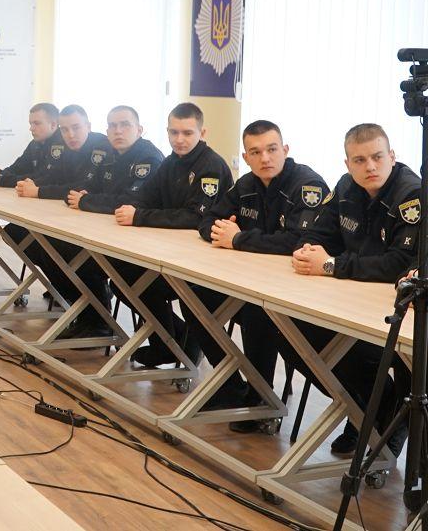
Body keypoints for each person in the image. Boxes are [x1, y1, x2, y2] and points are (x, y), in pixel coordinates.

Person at [287, 123, 417, 456]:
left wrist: (331, 265)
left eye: (377, 157)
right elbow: (318, 235)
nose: (370, 166)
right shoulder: (346, 186)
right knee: (295, 329)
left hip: (396, 309)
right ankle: (365, 409)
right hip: (353, 300)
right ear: (347, 164)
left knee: (385, 354)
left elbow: (399, 263)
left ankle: (385, 419)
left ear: (392, 156)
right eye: (359, 160)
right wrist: (306, 252)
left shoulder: (411, 195)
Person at [196, 120, 331, 431]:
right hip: (252, 279)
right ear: (246, 158)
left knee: (255, 309)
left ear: (285, 150)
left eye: (272, 149)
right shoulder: (246, 184)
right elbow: (208, 220)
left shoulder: (308, 185)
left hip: (296, 289)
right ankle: (230, 384)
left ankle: (261, 398)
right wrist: (224, 232)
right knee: (195, 293)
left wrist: (238, 238)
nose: (265, 158)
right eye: (255, 152)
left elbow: (299, 242)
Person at [111, 102, 234, 374]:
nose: (179, 139)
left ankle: (181, 343)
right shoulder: (171, 162)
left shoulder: (211, 166)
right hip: (170, 252)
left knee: (141, 282)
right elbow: (144, 197)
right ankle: (171, 342)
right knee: (122, 277)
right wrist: (131, 208)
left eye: (187, 133)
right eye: (173, 132)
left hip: (202, 263)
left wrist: (140, 217)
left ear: (202, 133)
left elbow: (194, 217)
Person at [1, 105, 114, 335]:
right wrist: (18, 181)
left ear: (89, 126)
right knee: (17, 232)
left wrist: (39, 191)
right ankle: (71, 293)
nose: (70, 135)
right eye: (65, 130)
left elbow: (84, 186)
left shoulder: (101, 147)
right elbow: (50, 176)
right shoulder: (65, 148)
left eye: (76, 128)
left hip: (102, 224)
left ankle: (96, 314)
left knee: (57, 245)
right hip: (74, 216)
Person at [0, 103, 64, 187]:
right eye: (31, 124)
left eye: (37, 123)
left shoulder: (62, 143)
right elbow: (17, 168)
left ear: (53, 125)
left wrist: (0, 180)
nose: (31, 128)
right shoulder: (34, 144)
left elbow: (45, 178)